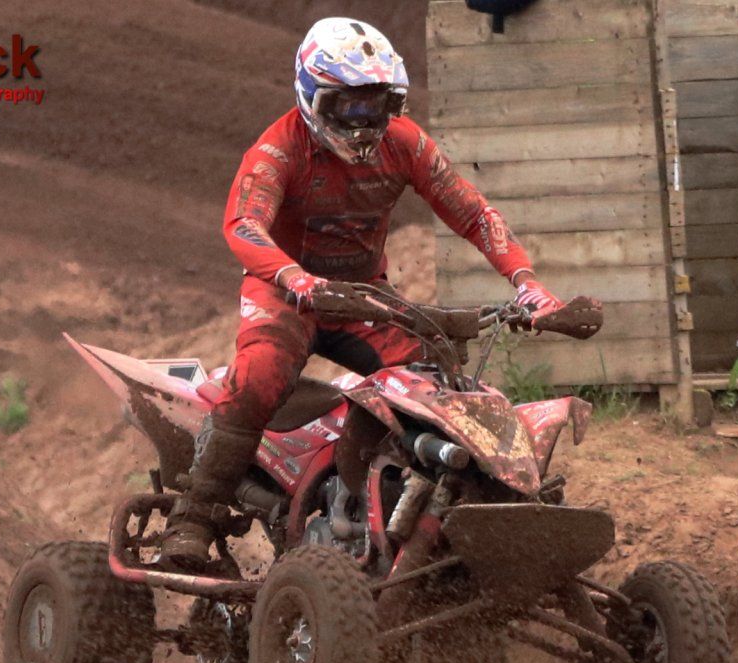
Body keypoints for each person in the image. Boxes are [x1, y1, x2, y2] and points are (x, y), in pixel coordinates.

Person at [163, 18, 561, 567]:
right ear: (310, 97)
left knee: (435, 385)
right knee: (258, 377)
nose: (363, 123)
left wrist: (526, 281)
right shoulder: (278, 151)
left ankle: (406, 519)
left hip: (364, 298)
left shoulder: (406, 144)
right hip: (287, 292)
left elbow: (472, 212)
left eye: (376, 105)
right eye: (347, 107)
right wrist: (295, 278)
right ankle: (193, 519)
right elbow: (243, 226)